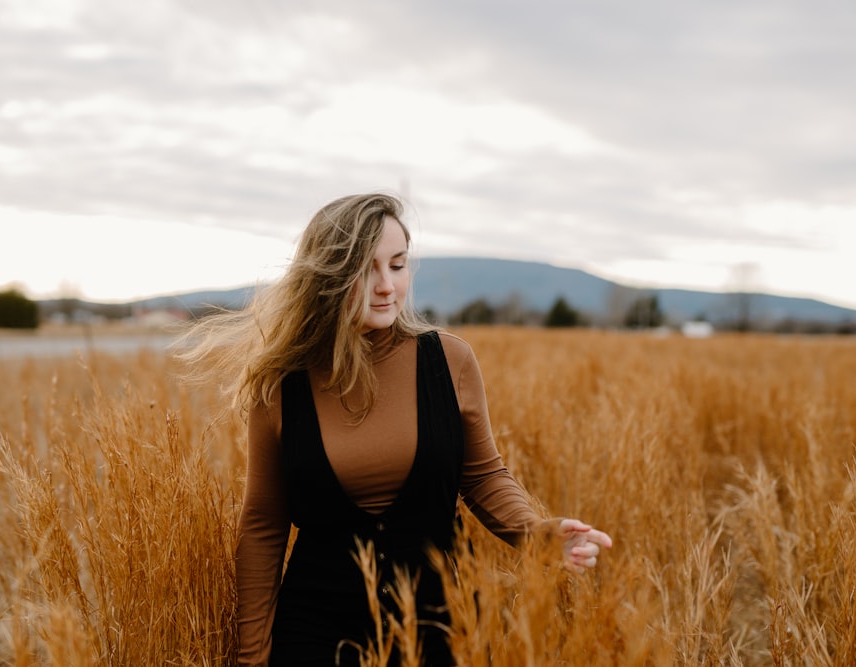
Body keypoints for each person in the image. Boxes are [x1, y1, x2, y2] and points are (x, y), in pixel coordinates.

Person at [180, 193, 612, 666]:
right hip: (317, 634)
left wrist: (537, 533)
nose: (387, 286)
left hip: (440, 625)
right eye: (368, 269)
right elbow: (264, 524)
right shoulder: (282, 385)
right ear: (328, 276)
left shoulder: (448, 361)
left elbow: (484, 475)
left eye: (398, 265)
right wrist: (251, 657)